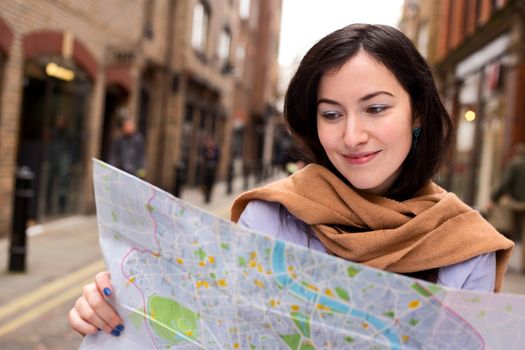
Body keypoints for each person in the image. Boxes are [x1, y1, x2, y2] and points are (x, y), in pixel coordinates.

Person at [69, 24, 514, 338]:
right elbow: (207, 327)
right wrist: (120, 306)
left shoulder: (465, 247)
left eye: (376, 108)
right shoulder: (272, 217)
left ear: (416, 112)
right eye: (332, 114)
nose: (352, 135)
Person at [490, 143, 525, 270]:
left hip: (516, 204)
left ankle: (505, 261)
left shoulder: (514, 164)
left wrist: (494, 198)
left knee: (509, 231)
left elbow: (505, 183)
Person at [200, 134, 220, 203]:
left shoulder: (216, 149)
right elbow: (203, 157)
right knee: (205, 184)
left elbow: (218, 158)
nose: (210, 143)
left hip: (213, 169)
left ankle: (209, 197)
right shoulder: (205, 149)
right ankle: (205, 197)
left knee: (211, 183)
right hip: (206, 170)